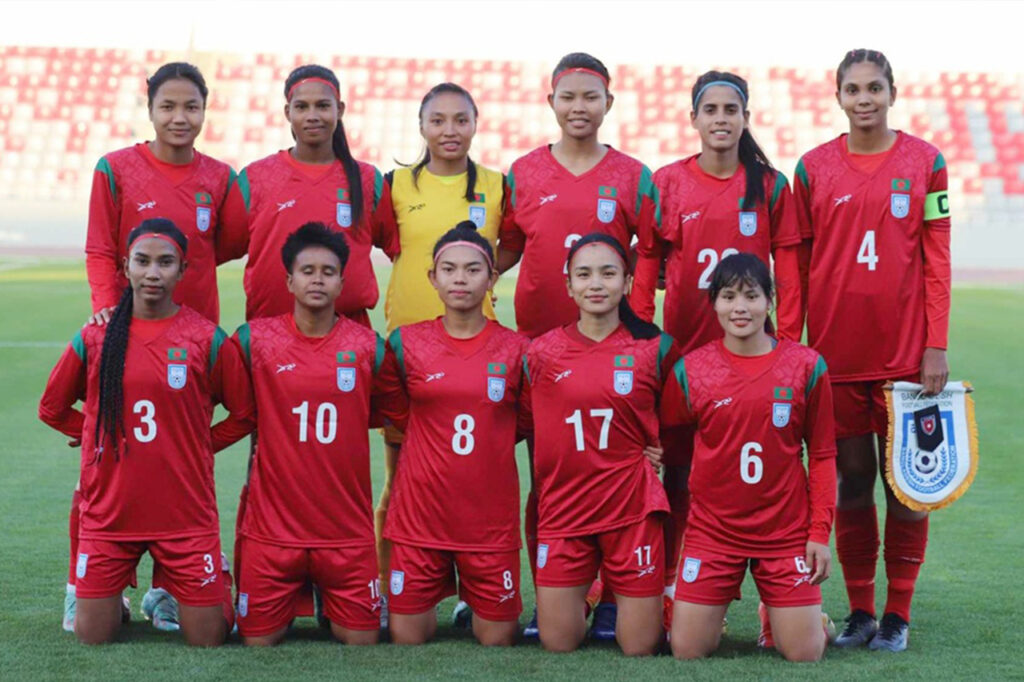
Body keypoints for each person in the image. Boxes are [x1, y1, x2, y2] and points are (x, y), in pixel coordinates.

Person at [789, 49, 951, 652]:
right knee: (852, 483)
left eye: (874, 88)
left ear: (892, 93)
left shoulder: (926, 162)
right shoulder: (811, 168)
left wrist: (936, 345)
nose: (864, 99)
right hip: (836, 359)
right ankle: (860, 611)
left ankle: (898, 614)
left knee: (908, 486)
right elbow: (796, 265)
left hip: (907, 363)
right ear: (838, 96)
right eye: (853, 89)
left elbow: (937, 261)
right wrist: (793, 348)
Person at [69, 62, 240, 633]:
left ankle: (170, 589)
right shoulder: (115, 168)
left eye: (191, 106)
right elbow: (100, 247)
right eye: (168, 106)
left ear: (205, 111)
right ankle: (82, 584)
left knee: (182, 473)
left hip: (191, 344)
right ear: (150, 110)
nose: (179, 117)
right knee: (100, 472)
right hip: (126, 334)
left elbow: (226, 244)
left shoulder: (220, 177)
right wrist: (105, 304)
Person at [497, 51, 661, 639]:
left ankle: (615, 595)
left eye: (591, 97)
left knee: (622, 476)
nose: (579, 107)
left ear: (609, 103)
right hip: (544, 356)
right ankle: (555, 592)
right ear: (551, 102)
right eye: (568, 97)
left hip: (617, 354)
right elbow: (508, 247)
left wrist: (639, 331)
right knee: (549, 477)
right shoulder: (522, 172)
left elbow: (649, 253)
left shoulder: (634, 175)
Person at [38, 219, 254, 646]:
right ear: (126, 267)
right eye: (142, 261)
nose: (153, 272)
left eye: (165, 263)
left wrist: (199, 445)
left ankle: (214, 572)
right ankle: (110, 597)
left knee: (209, 638)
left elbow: (245, 413)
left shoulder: (205, 338)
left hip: (184, 514)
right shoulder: (96, 336)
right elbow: (52, 408)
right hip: (111, 515)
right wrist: (100, 434)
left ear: (183, 270)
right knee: (92, 636)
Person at [653, 70, 802, 601]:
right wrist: (644, 340)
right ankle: (671, 582)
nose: (721, 119)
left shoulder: (770, 186)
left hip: (752, 358)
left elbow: (788, 271)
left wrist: (789, 342)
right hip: (683, 353)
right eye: (710, 110)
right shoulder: (668, 182)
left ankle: (774, 599)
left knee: (761, 470)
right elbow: (648, 262)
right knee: (677, 471)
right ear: (693, 118)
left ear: (746, 117)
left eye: (730, 110)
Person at [375, 83, 507, 628]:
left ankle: (472, 591)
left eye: (460, 120)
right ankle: (390, 589)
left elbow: (508, 245)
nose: (449, 130)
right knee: (401, 479)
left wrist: (475, 279)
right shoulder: (395, 186)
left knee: (476, 478)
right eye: (438, 120)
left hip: (479, 349)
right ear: (421, 126)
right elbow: (382, 242)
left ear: (475, 123)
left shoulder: (497, 186)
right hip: (411, 352)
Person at [661, 252, 836, 662]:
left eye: (751, 296)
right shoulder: (692, 370)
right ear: (714, 303)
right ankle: (710, 610)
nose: (740, 307)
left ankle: (800, 620)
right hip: (713, 531)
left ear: (770, 301)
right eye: (728, 296)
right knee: (687, 650)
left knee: (804, 654)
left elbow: (823, 455)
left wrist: (818, 534)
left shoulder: (806, 366)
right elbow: (670, 442)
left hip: (784, 531)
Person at [233, 222, 401, 646]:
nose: (318, 279)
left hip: (345, 533)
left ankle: (327, 600)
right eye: (307, 271)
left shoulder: (368, 347)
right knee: (258, 641)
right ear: (289, 280)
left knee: (362, 641)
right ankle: (288, 600)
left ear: (342, 283)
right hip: (273, 532)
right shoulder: (254, 340)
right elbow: (227, 400)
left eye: (328, 272)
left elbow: (388, 409)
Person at [521, 233, 675, 656]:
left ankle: (642, 600)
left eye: (608, 274)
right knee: (558, 643)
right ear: (568, 285)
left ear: (627, 282)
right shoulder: (540, 353)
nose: (595, 284)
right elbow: (523, 421)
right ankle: (591, 593)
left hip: (631, 507)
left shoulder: (654, 348)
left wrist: (659, 448)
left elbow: (679, 419)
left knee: (639, 647)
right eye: (584, 274)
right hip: (565, 507)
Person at [378, 221, 527, 646]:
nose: (460, 278)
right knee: (407, 638)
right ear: (433, 278)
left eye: (472, 269)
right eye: (449, 269)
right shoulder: (405, 343)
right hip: (420, 518)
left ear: (492, 278)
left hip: (489, 523)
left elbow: (529, 418)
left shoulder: (517, 349)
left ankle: (475, 599)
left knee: (497, 639)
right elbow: (395, 409)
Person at [217, 63, 399, 326]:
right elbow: (221, 247)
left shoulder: (367, 179)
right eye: (302, 107)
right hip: (269, 333)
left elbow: (397, 247)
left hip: (348, 335)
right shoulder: (255, 178)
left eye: (323, 106)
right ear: (287, 112)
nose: (312, 116)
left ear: (340, 110)